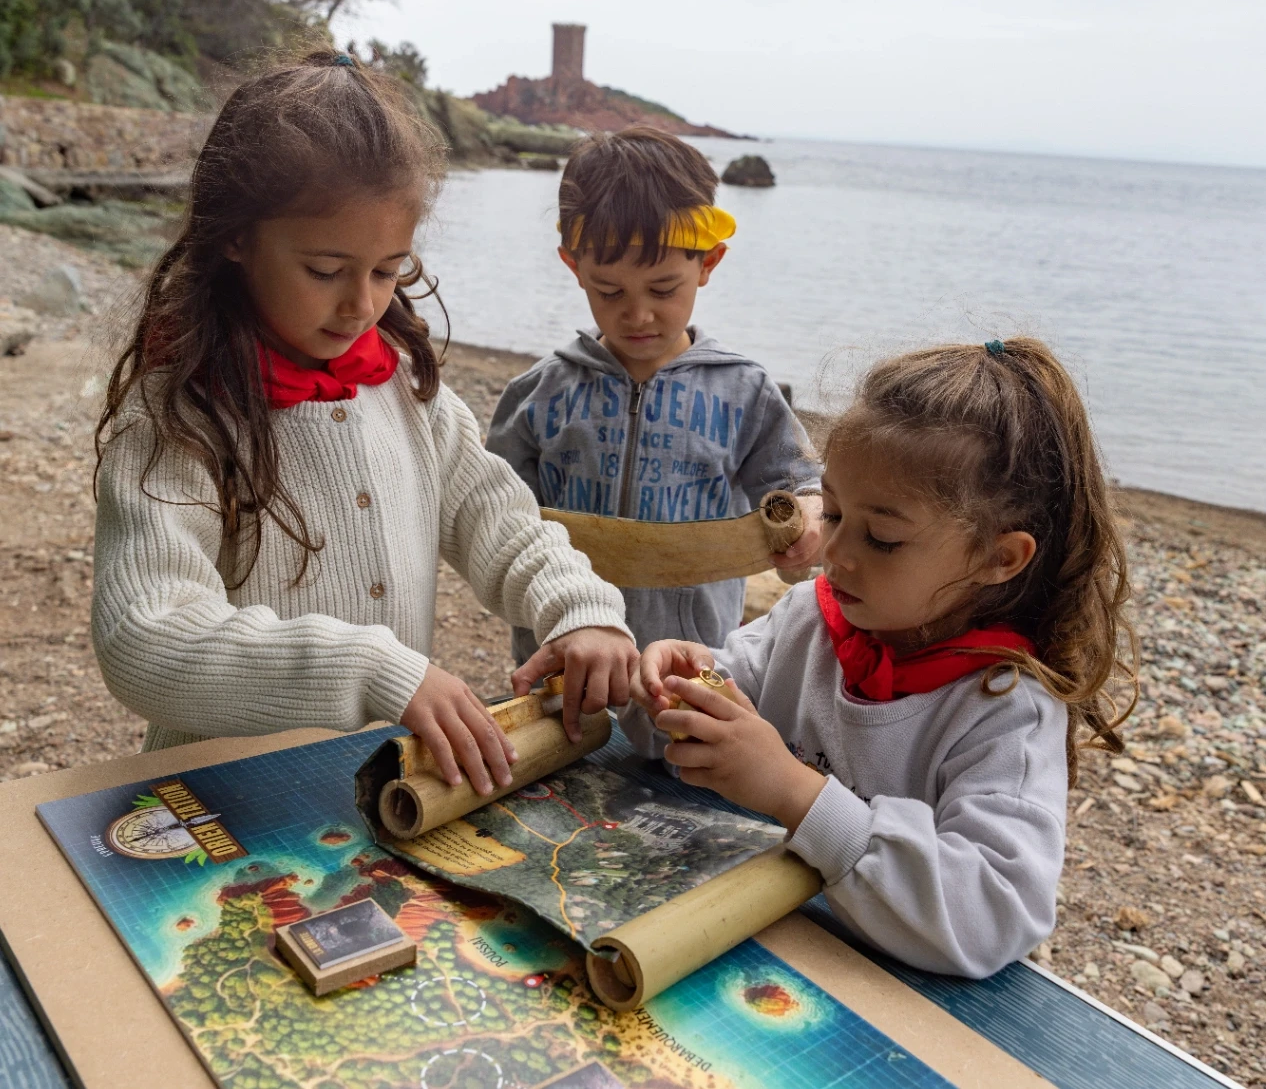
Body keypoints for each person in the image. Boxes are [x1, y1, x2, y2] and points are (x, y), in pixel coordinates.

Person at [92, 48, 638, 787]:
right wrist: (369, 668)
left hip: (375, 794)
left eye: (388, 270)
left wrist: (581, 610)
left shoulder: (403, 387)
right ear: (236, 236)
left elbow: (500, 521)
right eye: (325, 270)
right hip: (218, 802)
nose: (362, 305)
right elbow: (144, 638)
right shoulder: (179, 419)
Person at [622, 337, 1139, 977]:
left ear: (999, 557)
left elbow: (994, 913)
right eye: (833, 513)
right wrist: (673, 693)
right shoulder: (811, 619)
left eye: (884, 538)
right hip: (752, 947)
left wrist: (793, 791)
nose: (834, 552)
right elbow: (704, 722)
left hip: (890, 994)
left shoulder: (1007, 711)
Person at [486, 126, 822, 680]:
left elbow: (802, 485)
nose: (638, 314)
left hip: (691, 667)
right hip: (563, 662)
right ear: (573, 266)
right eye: (609, 291)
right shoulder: (537, 394)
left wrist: (810, 515)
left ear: (708, 263)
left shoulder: (744, 392)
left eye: (664, 289)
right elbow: (495, 522)